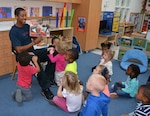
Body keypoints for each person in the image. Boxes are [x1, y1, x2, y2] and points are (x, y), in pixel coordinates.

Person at [9, 7, 54, 101]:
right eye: (22, 16)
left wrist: (43, 29)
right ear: (16, 17)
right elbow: (18, 50)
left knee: (52, 52)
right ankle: (45, 89)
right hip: (23, 57)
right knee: (35, 60)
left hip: (32, 52)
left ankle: (49, 78)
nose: (25, 17)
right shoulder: (13, 31)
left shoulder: (27, 26)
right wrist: (34, 43)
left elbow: (35, 36)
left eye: (25, 15)